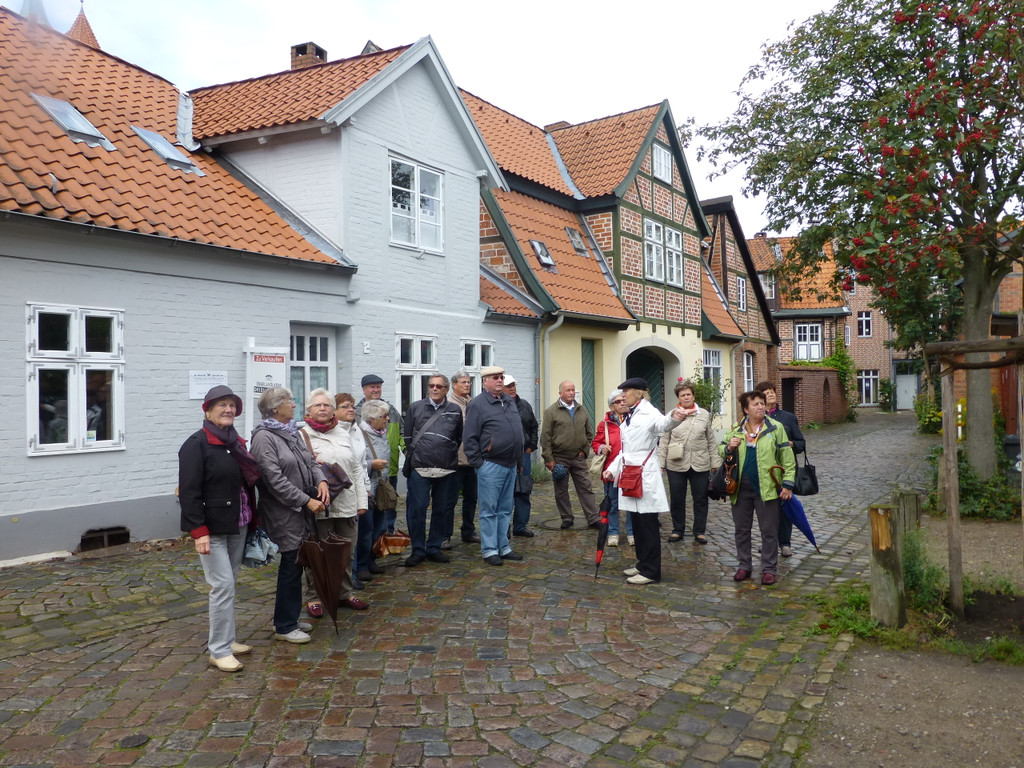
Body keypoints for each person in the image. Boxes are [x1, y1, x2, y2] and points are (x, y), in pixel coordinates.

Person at [178, 385, 260, 672]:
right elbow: (189, 492)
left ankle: (229, 639)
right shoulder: (196, 444)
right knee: (222, 585)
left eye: (232, 405)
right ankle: (219, 650)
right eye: (222, 405)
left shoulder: (234, 443)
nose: (228, 410)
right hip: (212, 529)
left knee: (230, 583)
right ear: (208, 410)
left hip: (238, 523)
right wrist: (198, 531)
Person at [250, 386, 328, 644]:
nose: (294, 405)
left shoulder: (291, 431)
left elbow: (310, 461)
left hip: (301, 511)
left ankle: (289, 619)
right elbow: (273, 480)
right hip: (283, 513)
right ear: (275, 408)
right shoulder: (264, 438)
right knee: (290, 566)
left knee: (297, 564)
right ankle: (284, 626)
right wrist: (306, 501)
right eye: (290, 401)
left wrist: (321, 480)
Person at [603, 377, 687, 585]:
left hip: (644, 474)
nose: (622, 396)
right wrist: (612, 469)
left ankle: (651, 571)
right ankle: (642, 563)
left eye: (626, 392)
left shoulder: (649, 412)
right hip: (630, 473)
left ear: (639, 393)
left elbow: (663, 423)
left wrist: (675, 416)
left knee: (647, 523)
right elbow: (626, 450)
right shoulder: (630, 414)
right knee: (637, 523)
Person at [299, 389, 369, 613]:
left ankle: (344, 593)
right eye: (317, 405)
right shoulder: (302, 435)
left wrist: (361, 501)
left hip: (346, 502)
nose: (322, 408)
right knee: (317, 553)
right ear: (309, 410)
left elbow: (356, 468)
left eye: (327, 405)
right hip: (320, 505)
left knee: (346, 553)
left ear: (332, 410)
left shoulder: (343, 432)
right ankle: (314, 597)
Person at [720, 390, 797, 586]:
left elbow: (788, 459)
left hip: (767, 488)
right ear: (746, 409)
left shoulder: (776, 428)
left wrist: (787, 484)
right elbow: (721, 449)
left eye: (762, 403)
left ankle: (769, 569)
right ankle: (744, 566)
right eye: (755, 404)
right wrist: (729, 447)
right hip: (740, 489)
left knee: (769, 530)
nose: (761, 406)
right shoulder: (736, 428)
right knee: (741, 530)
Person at [463, 365, 525, 566]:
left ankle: (503, 546)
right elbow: (469, 437)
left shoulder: (508, 400)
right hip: (490, 464)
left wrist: (519, 460)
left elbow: (517, 431)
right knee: (489, 510)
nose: (499, 380)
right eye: (495, 377)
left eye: (501, 377)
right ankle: (490, 550)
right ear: (485, 382)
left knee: (506, 508)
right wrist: (479, 463)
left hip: (511, 464)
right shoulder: (478, 404)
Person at [403, 374, 463, 567]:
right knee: (417, 509)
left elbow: (458, 437)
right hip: (420, 467)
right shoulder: (415, 407)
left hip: (446, 467)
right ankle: (417, 549)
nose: (434, 389)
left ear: (446, 389)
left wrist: (445, 452)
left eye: (439, 386)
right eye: (431, 386)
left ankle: (434, 547)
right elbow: (408, 436)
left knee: (442, 509)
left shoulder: (454, 410)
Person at [658, 379, 721, 545]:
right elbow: (664, 440)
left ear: (693, 396)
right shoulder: (672, 415)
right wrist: (660, 463)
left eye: (688, 394)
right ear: (678, 398)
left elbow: (710, 439)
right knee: (677, 499)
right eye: (682, 395)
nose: (686, 397)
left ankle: (699, 531)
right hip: (676, 463)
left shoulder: (704, 414)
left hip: (700, 463)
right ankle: (677, 530)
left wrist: (715, 462)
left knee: (700, 498)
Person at [756, 381, 806, 558]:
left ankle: (785, 543)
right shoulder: (757, 419)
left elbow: (801, 443)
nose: (771, 394)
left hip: (784, 470)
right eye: (766, 392)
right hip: (765, 471)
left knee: (784, 507)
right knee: (766, 510)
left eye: (772, 391)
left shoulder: (788, 417)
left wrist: (789, 444)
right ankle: (768, 542)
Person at [541, 380, 600, 530]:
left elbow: (589, 433)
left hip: (578, 457)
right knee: (561, 490)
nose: (571, 393)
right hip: (559, 458)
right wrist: (549, 458)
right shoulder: (551, 411)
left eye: (573, 390)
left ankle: (593, 518)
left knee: (586, 487)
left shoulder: (582, 410)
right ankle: (566, 518)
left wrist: (585, 451)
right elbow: (545, 437)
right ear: (560, 393)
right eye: (568, 390)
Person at [354, 374, 404, 534]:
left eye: (378, 386)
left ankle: (386, 538)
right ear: (364, 390)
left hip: (389, 469)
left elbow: (402, 432)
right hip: (367, 474)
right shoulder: (356, 413)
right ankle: (373, 543)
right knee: (369, 518)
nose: (376, 390)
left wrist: (406, 451)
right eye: (372, 387)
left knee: (388, 505)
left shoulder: (391, 410)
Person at [357, 399, 392, 582]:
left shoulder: (381, 433)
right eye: (384, 416)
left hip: (380, 487)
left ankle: (371, 560)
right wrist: (372, 464)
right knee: (366, 529)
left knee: (378, 527)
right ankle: (361, 565)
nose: (387, 419)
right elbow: (355, 462)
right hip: (366, 489)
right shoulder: (359, 434)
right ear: (372, 419)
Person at [592, 389, 632, 547]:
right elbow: (596, 443)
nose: (622, 403)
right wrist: (602, 448)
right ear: (611, 406)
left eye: (624, 400)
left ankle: (632, 532)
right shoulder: (605, 424)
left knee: (631, 503)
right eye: (618, 401)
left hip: (630, 470)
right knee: (612, 503)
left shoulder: (633, 419)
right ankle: (613, 532)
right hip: (611, 470)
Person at [445, 370, 480, 547]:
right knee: (449, 500)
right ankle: (445, 535)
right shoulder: (449, 405)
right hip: (455, 461)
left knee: (471, 499)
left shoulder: (473, 403)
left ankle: (468, 531)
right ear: (454, 385)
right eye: (463, 382)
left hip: (472, 461)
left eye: (469, 382)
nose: (467, 385)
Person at [505, 375, 539, 538]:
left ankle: (520, 526)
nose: (512, 388)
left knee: (523, 490)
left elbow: (533, 427)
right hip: (505, 455)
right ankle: (504, 528)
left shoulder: (524, 405)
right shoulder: (499, 406)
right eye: (508, 386)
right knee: (506, 493)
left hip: (523, 454)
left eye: (513, 385)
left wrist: (530, 447)